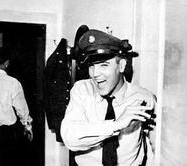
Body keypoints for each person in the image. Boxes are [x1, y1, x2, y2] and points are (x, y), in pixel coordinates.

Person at [61, 29, 156, 166]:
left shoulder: (144, 98)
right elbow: (70, 137)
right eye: (91, 66)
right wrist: (116, 125)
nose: (95, 74)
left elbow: (153, 147)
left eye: (104, 65)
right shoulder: (82, 90)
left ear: (122, 65)